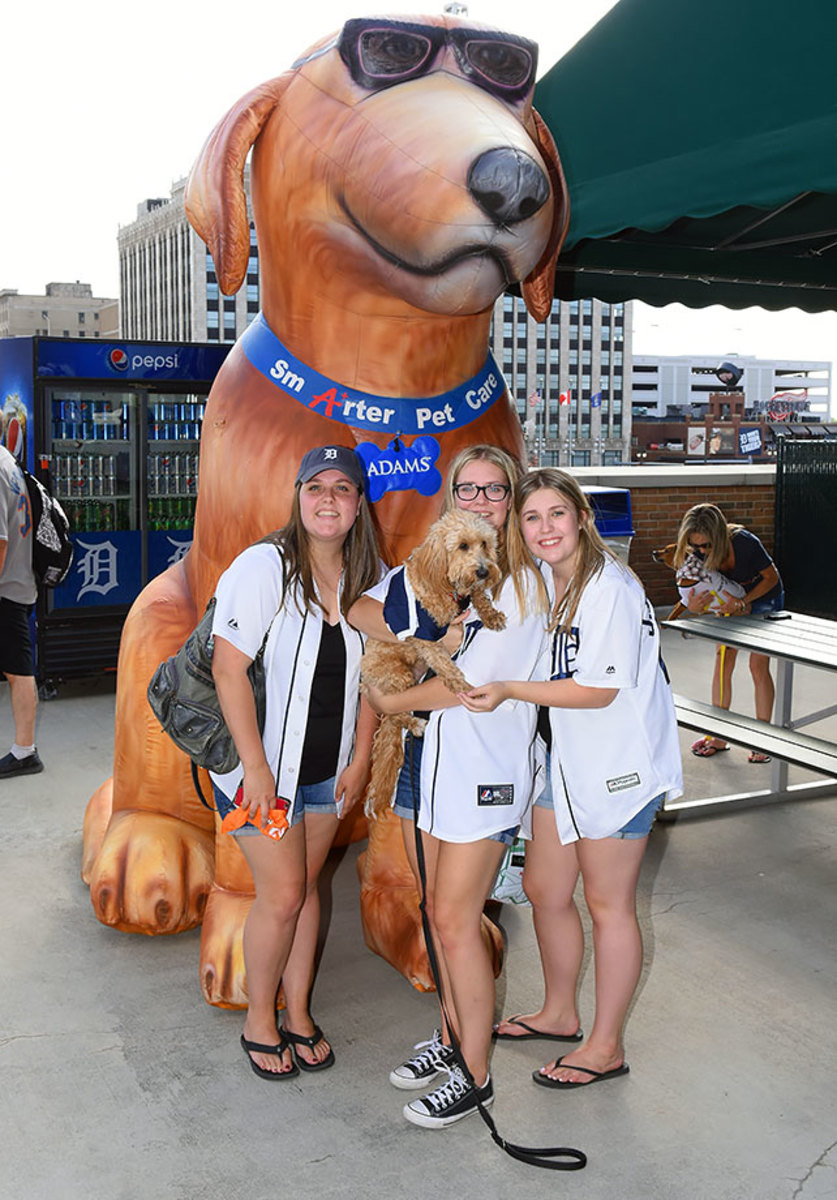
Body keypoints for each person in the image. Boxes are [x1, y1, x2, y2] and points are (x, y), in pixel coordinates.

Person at [460, 468, 683, 1089]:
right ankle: (560, 1013)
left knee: (608, 905)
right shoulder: (547, 582)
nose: (544, 528)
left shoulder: (608, 586)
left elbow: (597, 689)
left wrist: (505, 689)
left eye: (556, 514)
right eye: (532, 518)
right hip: (562, 762)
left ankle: (605, 1046)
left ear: (581, 517)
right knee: (545, 888)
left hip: (616, 766)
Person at [348, 444, 549, 1128]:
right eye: (469, 489)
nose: (483, 500)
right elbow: (360, 611)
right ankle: (450, 1036)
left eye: (496, 491)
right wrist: (406, 632)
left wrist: (388, 700)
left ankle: (475, 1071)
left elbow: (466, 689)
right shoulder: (437, 569)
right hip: (428, 769)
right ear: (452, 498)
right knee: (436, 914)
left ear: (512, 502)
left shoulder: (517, 590)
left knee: (458, 922)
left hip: (483, 775)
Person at [210, 445, 380, 1080]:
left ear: (360, 503)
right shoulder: (265, 567)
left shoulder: (371, 577)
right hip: (261, 775)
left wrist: (361, 756)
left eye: (343, 487)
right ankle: (261, 1019)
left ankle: (300, 1012)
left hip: (327, 774)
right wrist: (255, 769)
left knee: (306, 890)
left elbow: (375, 680)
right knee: (281, 896)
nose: (328, 499)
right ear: (298, 497)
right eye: (317, 487)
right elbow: (228, 670)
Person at [674, 503, 784, 763]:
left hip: (763, 598)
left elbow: (772, 578)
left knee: (758, 665)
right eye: (694, 546)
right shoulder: (695, 553)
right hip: (730, 598)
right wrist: (693, 606)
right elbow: (689, 592)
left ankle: (762, 739)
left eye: (706, 546)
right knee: (723, 661)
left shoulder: (745, 542)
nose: (700, 552)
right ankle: (719, 735)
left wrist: (744, 602)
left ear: (720, 536)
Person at [0, 439, 42, 778]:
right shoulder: (9, 463)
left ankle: (25, 751)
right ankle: (24, 750)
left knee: (18, 671)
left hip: (6, 587)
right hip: (18, 582)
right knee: (17, 668)